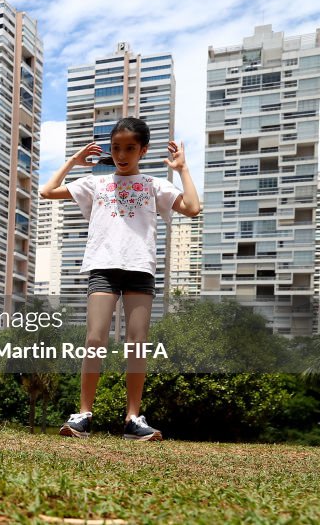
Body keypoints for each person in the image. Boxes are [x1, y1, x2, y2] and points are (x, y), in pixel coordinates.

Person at [38, 117, 201, 441]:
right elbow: (47, 191)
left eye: (129, 148)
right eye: (115, 148)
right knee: (95, 339)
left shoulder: (155, 185)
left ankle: (132, 418)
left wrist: (182, 168)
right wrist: (73, 161)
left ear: (143, 150)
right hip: (103, 265)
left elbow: (193, 208)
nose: (122, 154)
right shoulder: (95, 184)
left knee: (137, 343)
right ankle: (83, 415)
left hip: (140, 267)